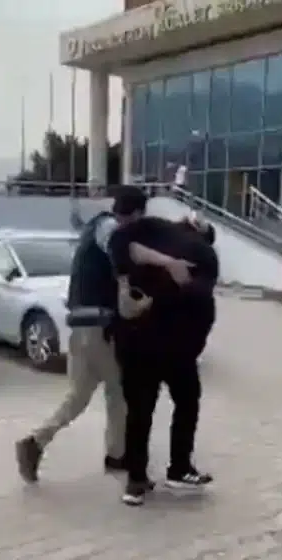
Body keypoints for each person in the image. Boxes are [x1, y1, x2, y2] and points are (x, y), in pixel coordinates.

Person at [14, 185, 197, 484]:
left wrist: (179, 228)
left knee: (78, 397)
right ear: (136, 214)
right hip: (100, 329)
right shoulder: (109, 229)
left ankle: (36, 441)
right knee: (120, 394)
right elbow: (127, 249)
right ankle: (118, 457)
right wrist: (169, 263)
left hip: (81, 328)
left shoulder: (94, 227)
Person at [109, 214, 219, 506]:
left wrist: (127, 280)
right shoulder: (205, 255)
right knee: (186, 402)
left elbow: (117, 241)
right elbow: (203, 305)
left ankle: (136, 481)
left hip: (136, 343)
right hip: (174, 348)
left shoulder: (151, 228)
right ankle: (179, 468)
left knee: (139, 412)